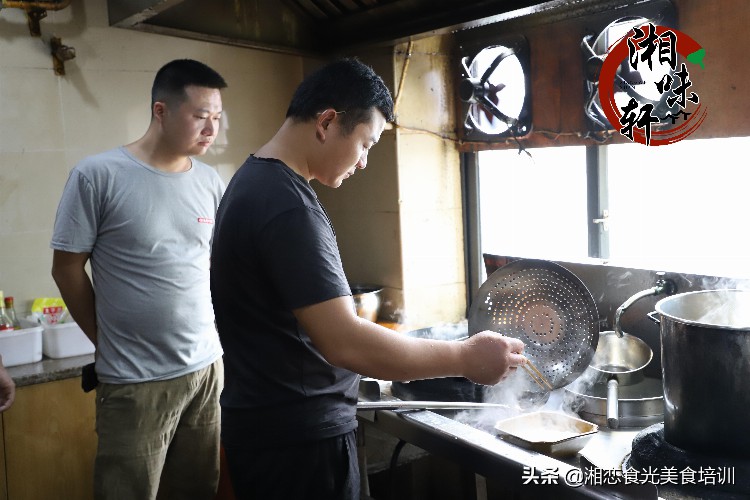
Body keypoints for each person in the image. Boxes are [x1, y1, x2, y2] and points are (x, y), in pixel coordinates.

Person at [210, 58, 526, 500]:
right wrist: (466, 358)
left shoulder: (253, 183)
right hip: (299, 447)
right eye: (365, 144)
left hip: (272, 433)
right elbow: (347, 342)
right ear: (326, 122)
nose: (363, 163)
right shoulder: (287, 206)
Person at [50, 59, 227, 500]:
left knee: (197, 491)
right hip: (135, 379)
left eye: (217, 119)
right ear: (161, 110)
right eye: (200, 116)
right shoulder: (99, 175)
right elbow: (66, 267)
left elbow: (211, 269)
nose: (211, 130)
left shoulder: (209, 181)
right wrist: (103, 338)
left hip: (206, 371)